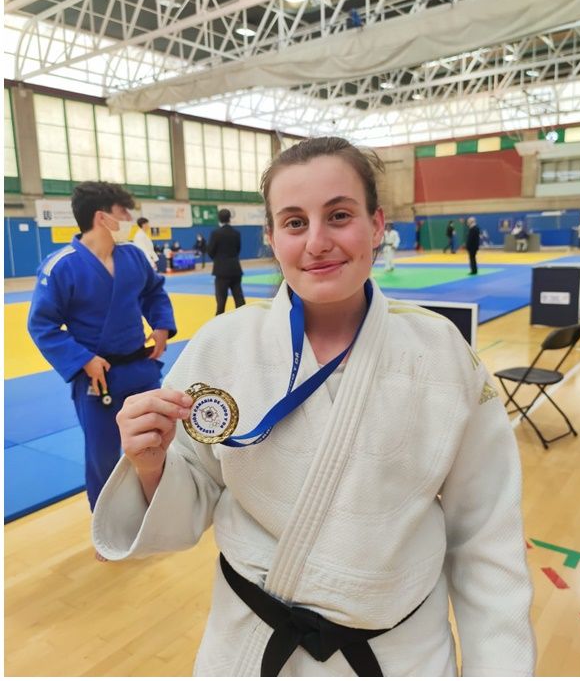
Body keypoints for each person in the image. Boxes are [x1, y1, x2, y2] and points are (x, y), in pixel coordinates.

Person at [91, 137, 535, 676]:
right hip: (253, 648)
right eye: (295, 222)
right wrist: (150, 464)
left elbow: (487, 537)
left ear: (376, 225)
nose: (317, 241)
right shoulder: (222, 345)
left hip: (399, 655)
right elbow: (191, 501)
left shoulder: (442, 355)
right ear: (273, 238)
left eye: (339, 215)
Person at [27, 181, 176, 560]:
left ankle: (153, 518)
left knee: (155, 442)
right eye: (123, 212)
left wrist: (160, 326)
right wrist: (82, 359)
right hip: (99, 377)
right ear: (102, 217)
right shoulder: (62, 266)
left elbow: (154, 292)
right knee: (104, 456)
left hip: (140, 369)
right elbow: (41, 325)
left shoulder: (133, 258)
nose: (128, 219)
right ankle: (107, 532)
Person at [207, 208, 245, 315]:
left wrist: (219, 259)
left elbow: (210, 251)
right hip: (235, 269)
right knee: (239, 300)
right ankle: (244, 322)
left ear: (219, 219)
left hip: (221, 271)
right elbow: (238, 249)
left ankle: (218, 326)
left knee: (221, 302)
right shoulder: (236, 233)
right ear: (229, 218)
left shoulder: (216, 233)